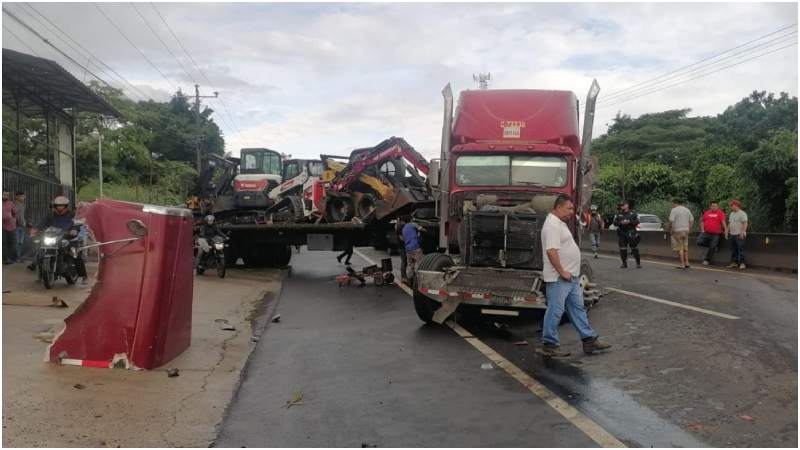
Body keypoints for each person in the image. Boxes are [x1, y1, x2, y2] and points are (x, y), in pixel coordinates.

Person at [540, 194, 611, 357]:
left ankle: (589, 339)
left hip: (570, 277)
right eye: (569, 208)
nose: (572, 212)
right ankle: (550, 344)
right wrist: (562, 272)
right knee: (555, 310)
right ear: (558, 207)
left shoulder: (560, 223)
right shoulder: (552, 225)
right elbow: (551, 251)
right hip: (559, 278)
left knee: (577, 309)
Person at [29, 195, 88, 283]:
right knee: (40, 251)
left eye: (61, 206)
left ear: (66, 206)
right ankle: (40, 274)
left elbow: (77, 223)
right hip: (53, 237)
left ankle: (83, 276)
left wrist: (74, 229)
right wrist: (35, 230)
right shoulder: (50, 215)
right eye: (58, 206)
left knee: (75, 253)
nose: (59, 207)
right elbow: (41, 223)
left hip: (69, 237)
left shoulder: (72, 215)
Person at [612, 201, 641, 269]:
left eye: (623, 205)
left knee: (634, 248)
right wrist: (620, 222)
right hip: (622, 233)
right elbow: (614, 223)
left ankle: (638, 263)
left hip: (631, 233)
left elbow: (637, 221)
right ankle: (624, 263)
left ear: (627, 205)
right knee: (622, 249)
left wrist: (629, 222)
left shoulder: (633, 213)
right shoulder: (618, 214)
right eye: (621, 205)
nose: (621, 206)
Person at [698, 201, 727, 266]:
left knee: (712, 246)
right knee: (699, 242)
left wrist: (726, 230)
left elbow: (723, 222)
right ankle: (713, 247)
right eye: (713, 206)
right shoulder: (706, 213)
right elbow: (702, 221)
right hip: (706, 232)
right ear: (710, 206)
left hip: (716, 234)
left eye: (715, 206)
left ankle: (707, 259)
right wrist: (702, 230)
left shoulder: (720, 213)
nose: (714, 207)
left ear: (718, 207)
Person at [668, 199, 694, 269]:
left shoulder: (674, 210)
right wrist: (689, 229)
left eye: (672, 203)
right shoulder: (687, 210)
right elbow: (692, 220)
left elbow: (671, 221)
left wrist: (671, 230)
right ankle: (687, 263)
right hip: (686, 231)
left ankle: (682, 264)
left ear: (675, 203)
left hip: (677, 231)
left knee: (680, 248)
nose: (672, 205)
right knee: (685, 247)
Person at [727, 200, 748, 270]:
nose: (730, 207)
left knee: (741, 249)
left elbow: (745, 223)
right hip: (732, 234)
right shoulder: (731, 214)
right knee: (733, 249)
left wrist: (742, 232)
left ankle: (742, 263)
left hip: (739, 234)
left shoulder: (742, 213)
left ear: (736, 205)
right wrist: (727, 231)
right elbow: (730, 223)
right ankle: (734, 263)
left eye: (731, 205)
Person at [2, 190, 17, 265]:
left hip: (11, 226)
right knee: (3, 243)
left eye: (7, 195)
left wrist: (13, 220)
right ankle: (6, 259)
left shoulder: (11, 203)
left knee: (11, 242)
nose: (5, 196)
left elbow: (14, 213)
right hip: (2, 226)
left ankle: (10, 258)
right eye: (4, 194)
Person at [395, 216, 409, 284]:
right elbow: (402, 238)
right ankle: (403, 277)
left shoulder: (399, 226)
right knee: (404, 262)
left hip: (402, 247)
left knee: (405, 262)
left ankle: (405, 276)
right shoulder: (400, 227)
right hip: (402, 247)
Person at [14, 192, 27, 262]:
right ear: (17, 197)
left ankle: (19, 257)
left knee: (20, 242)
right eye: (22, 196)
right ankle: (17, 257)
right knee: (17, 242)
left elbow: (22, 215)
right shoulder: (14, 204)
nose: (23, 198)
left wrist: (25, 222)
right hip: (16, 226)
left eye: (23, 196)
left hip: (22, 226)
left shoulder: (23, 205)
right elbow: (16, 216)